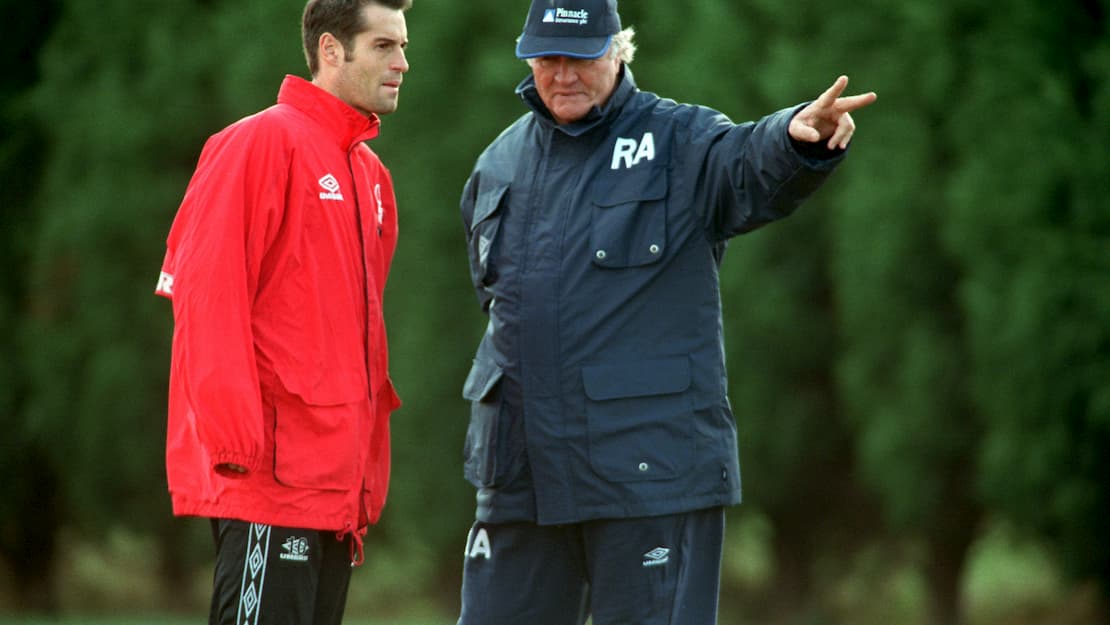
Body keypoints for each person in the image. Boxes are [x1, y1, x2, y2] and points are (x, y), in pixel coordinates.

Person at [456, 1, 876, 624]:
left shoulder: (678, 140)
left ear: (619, 51)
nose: (562, 73)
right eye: (547, 57)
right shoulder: (500, 163)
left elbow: (745, 163)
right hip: (522, 482)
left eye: (581, 56)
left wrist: (795, 138)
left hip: (648, 479)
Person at [154, 1, 410, 623]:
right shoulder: (257, 142)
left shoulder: (371, 175)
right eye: (383, 46)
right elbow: (206, 298)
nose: (402, 63)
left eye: (403, 47)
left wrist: (364, 473)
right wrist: (239, 449)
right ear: (330, 50)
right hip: (268, 485)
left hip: (334, 491)